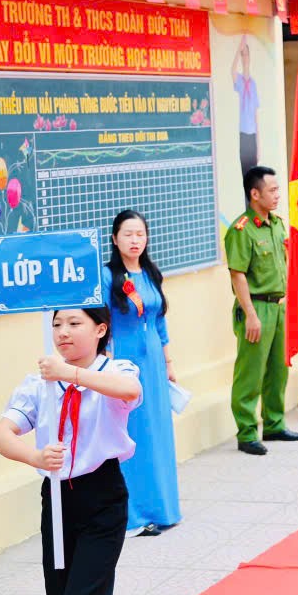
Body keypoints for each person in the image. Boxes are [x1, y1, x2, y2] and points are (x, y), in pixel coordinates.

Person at [0, 308, 141, 595]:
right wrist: (36, 457)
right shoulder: (38, 384)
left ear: (100, 330)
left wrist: (69, 373)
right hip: (57, 500)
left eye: (74, 323)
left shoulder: (116, 370)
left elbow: (130, 391)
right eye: (56, 324)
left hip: (103, 496)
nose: (63, 332)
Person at [102, 210, 180, 536]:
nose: (135, 240)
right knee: (132, 435)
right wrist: (106, 366)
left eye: (140, 234)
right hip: (125, 364)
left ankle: (163, 508)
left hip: (154, 366)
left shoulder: (149, 273)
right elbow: (102, 323)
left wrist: (168, 363)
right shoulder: (108, 277)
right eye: (128, 234)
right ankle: (132, 516)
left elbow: (159, 321)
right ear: (114, 239)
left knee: (157, 434)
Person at [226, 166, 298, 456]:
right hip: (256, 306)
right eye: (271, 190)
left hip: (280, 306)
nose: (277, 195)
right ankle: (247, 432)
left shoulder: (277, 224)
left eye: (277, 190)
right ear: (255, 194)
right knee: (250, 372)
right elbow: (238, 274)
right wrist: (250, 314)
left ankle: (274, 423)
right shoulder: (241, 229)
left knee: (278, 369)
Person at [231, 35, 260, 174]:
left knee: (253, 175)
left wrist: (258, 146)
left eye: (246, 54)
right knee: (245, 173)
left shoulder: (253, 84)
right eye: (243, 55)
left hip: (252, 135)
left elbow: (256, 116)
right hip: (243, 135)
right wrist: (239, 49)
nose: (244, 58)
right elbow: (232, 70)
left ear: (250, 57)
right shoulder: (239, 80)